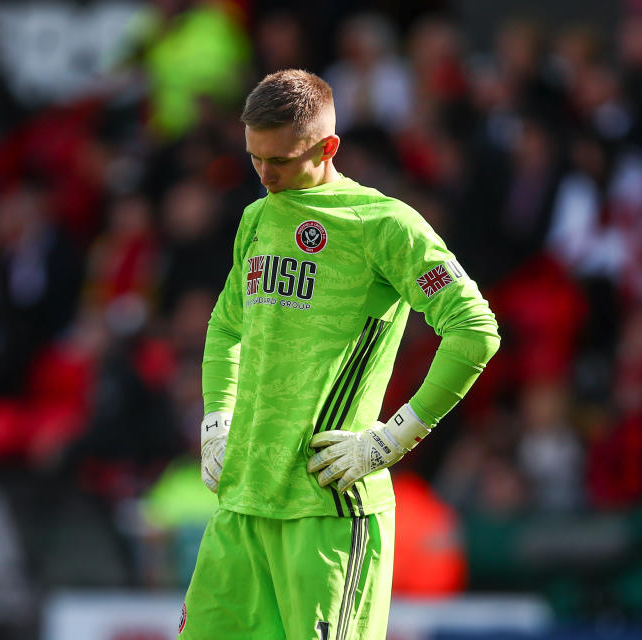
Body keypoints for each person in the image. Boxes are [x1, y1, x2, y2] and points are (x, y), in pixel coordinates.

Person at [181, 69, 500, 639]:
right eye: (254, 157)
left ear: (328, 148)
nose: (264, 174)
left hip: (327, 509)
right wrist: (217, 418)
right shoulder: (256, 218)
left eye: (279, 160)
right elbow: (227, 326)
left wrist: (393, 437)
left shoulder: (384, 225)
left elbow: (475, 330)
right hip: (243, 503)